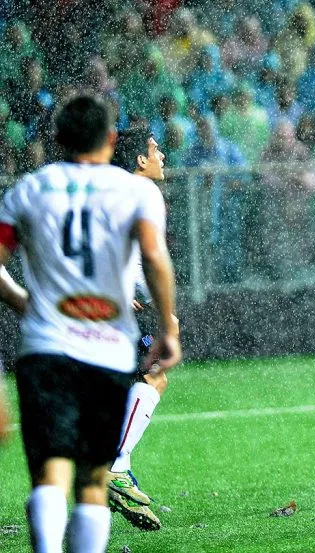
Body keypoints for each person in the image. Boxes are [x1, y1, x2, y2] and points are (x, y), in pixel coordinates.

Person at [0, 93, 179, 552]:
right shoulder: (134, 192)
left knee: (50, 473)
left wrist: (22, 300)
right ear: (112, 139)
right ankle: (118, 469)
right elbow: (155, 259)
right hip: (105, 346)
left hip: (45, 346)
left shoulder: (30, 189)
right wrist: (168, 325)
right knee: (93, 481)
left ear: (58, 139)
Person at [105, 126, 178, 531]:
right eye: (155, 149)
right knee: (154, 376)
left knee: (143, 381)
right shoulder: (138, 195)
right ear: (139, 160)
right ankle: (115, 468)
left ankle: (121, 473)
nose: (162, 155)